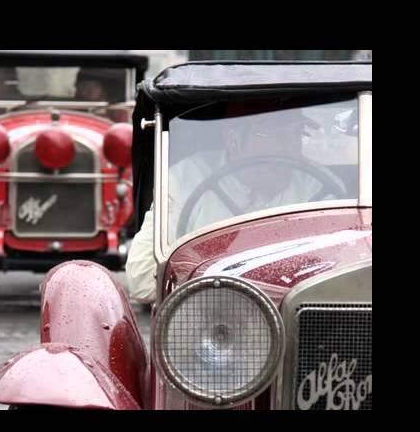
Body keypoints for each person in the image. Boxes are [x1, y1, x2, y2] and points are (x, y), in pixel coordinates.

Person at [125, 101, 347, 303]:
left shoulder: (318, 186)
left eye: (297, 134)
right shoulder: (184, 179)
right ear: (233, 139)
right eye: (274, 136)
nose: (290, 149)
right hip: (208, 322)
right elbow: (143, 281)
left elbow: (339, 269)